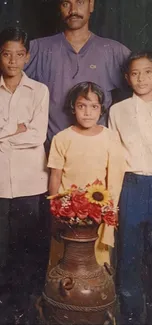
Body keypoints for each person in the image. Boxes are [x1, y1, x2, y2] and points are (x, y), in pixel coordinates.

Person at [25, 0, 130, 153]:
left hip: (98, 154)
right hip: (52, 154)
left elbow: (145, 86)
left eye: (80, 2)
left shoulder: (112, 51)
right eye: (66, 4)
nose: (73, 10)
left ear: (91, 5)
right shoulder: (39, 49)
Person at [0, 27, 49, 323]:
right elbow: (23, 132)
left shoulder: (39, 91)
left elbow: (36, 135)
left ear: (28, 57)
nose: (13, 61)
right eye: (6, 54)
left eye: (19, 54)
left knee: (24, 246)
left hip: (29, 182)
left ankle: (21, 306)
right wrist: (14, 130)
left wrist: (4, 136)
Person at [47, 81, 125, 267]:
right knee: (64, 259)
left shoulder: (110, 137)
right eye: (82, 106)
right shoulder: (62, 138)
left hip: (98, 212)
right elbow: (55, 177)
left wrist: (109, 210)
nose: (88, 112)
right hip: (68, 211)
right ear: (73, 108)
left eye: (94, 106)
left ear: (101, 109)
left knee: (95, 262)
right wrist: (55, 209)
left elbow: (114, 178)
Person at [109, 51, 152, 325]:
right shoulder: (118, 110)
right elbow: (114, 155)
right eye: (135, 73)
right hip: (132, 185)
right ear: (127, 77)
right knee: (129, 252)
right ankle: (131, 315)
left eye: (148, 71)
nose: (141, 78)